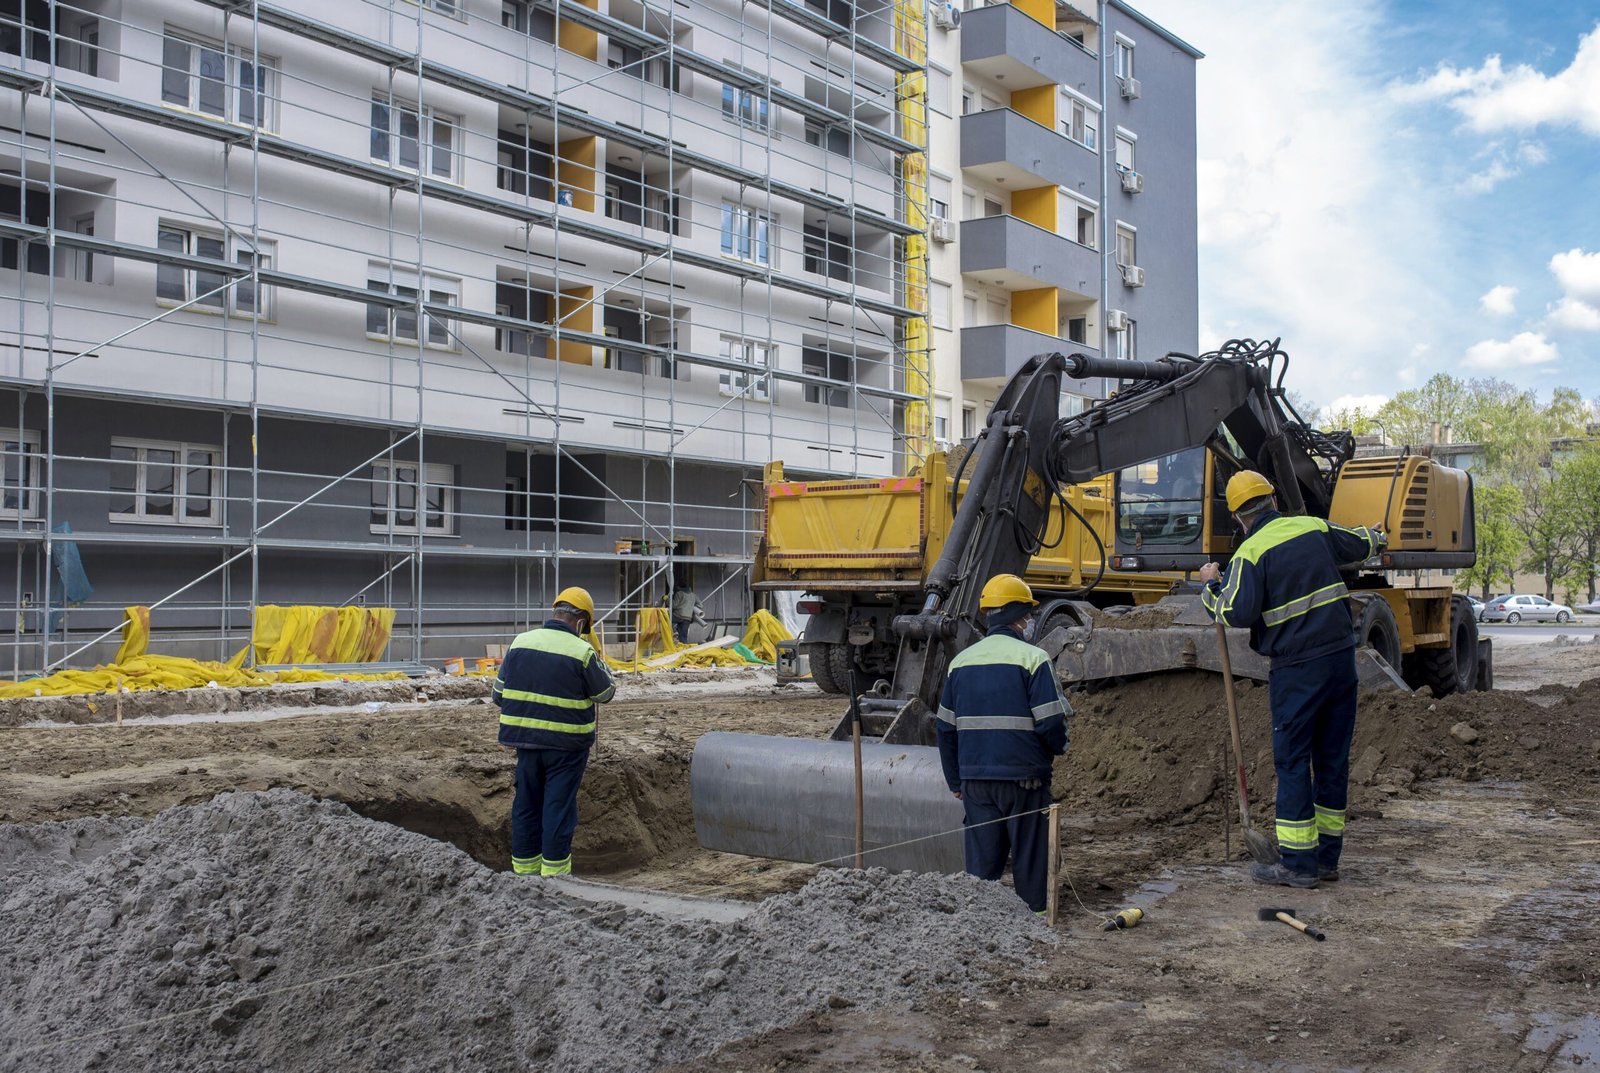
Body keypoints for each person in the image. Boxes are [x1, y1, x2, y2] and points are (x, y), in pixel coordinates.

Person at [1198, 471, 1383, 889]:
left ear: (1237, 516)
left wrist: (1209, 586)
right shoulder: (1312, 527)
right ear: (1274, 497)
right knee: (1332, 760)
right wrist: (1376, 537)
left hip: (1298, 670)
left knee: (1294, 761)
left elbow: (1233, 611)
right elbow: (1360, 543)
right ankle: (1326, 860)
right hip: (1340, 660)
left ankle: (1298, 865)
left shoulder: (1251, 553)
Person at [934, 573, 1071, 914]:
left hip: (976, 783)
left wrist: (956, 781)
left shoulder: (960, 663)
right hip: (1025, 780)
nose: (1030, 620)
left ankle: (980, 924)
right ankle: (1034, 921)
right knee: (1029, 856)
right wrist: (1056, 749)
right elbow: (1052, 721)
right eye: (1029, 614)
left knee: (982, 865)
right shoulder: (1033, 659)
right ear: (1020, 616)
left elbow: (944, 728)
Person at [493, 586, 616, 877]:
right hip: (566, 747)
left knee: (526, 806)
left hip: (525, 743)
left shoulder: (520, 643)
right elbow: (605, 693)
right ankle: (556, 878)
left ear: (555, 612)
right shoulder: (582, 651)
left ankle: (524, 874)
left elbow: (499, 695)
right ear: (583, 622)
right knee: (557, 809)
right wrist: (598, 656)